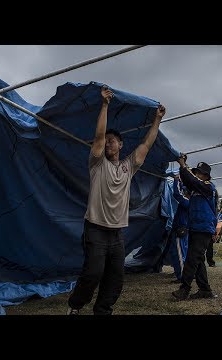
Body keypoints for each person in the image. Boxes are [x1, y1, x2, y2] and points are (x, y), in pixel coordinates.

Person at [67, 86, 166, 315]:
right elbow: (99, 137)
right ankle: (75, 306)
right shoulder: (97, 164)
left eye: (114, 140)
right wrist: (104, 105)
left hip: (117, 233)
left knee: (115, 278)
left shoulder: (128, 167)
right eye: (107, 140)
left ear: (121, 145)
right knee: (93, 273)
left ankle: (103, 311)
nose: (108, 143)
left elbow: (146, 145)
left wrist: (157, 121)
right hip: (95, 230)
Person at [172, 156, 217, 300]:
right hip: (196, 227)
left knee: (191, 258)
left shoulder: (208, 187)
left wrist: (183, 164)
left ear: (206, 176)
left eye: (199, 172)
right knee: (198, 260)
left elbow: (191, 180)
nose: (197, 174)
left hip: (204, 228)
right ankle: (205, 290)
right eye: (196, 172)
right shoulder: (197, 188)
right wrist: (181, 172)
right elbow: (187, 181)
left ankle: (184, 289)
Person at [166, 175, 190, 283]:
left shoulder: (188, 202)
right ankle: (180, 274)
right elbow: (180, 191)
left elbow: (177, 194)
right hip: (179, 230)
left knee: (180, 255)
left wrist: (176, 180)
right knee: (176, 253)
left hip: (180, 230)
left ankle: (182, 277)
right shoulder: (189, 202)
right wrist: (179, 182)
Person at [205, 189, 219, 267]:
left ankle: (210, 261)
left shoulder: (213, 207)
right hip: (208, 226)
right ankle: (210, 261)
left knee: (209, 245)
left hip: (210, 226)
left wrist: (214, 231)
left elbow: (214, 218)